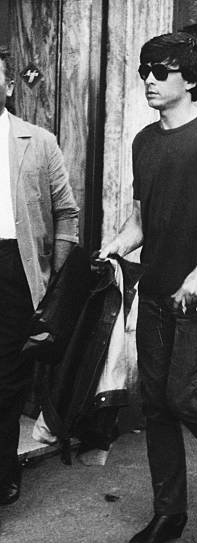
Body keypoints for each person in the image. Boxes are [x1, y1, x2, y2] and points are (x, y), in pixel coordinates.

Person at [99, 32, 197, 543]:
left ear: (189, 80)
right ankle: (170, 514)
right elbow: (142, 220)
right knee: (155, 404)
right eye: (144, 70)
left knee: (185, 398)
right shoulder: (144, 141)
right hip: (156, 290)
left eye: (160, 72)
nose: (148, 80)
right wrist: (115, 245)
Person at [0, 47, 79, 506]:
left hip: (16, 269)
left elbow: (66, 213)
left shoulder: (39, 142)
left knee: (8, 380)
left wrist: (55, 279)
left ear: (10, 87)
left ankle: (4, 469)